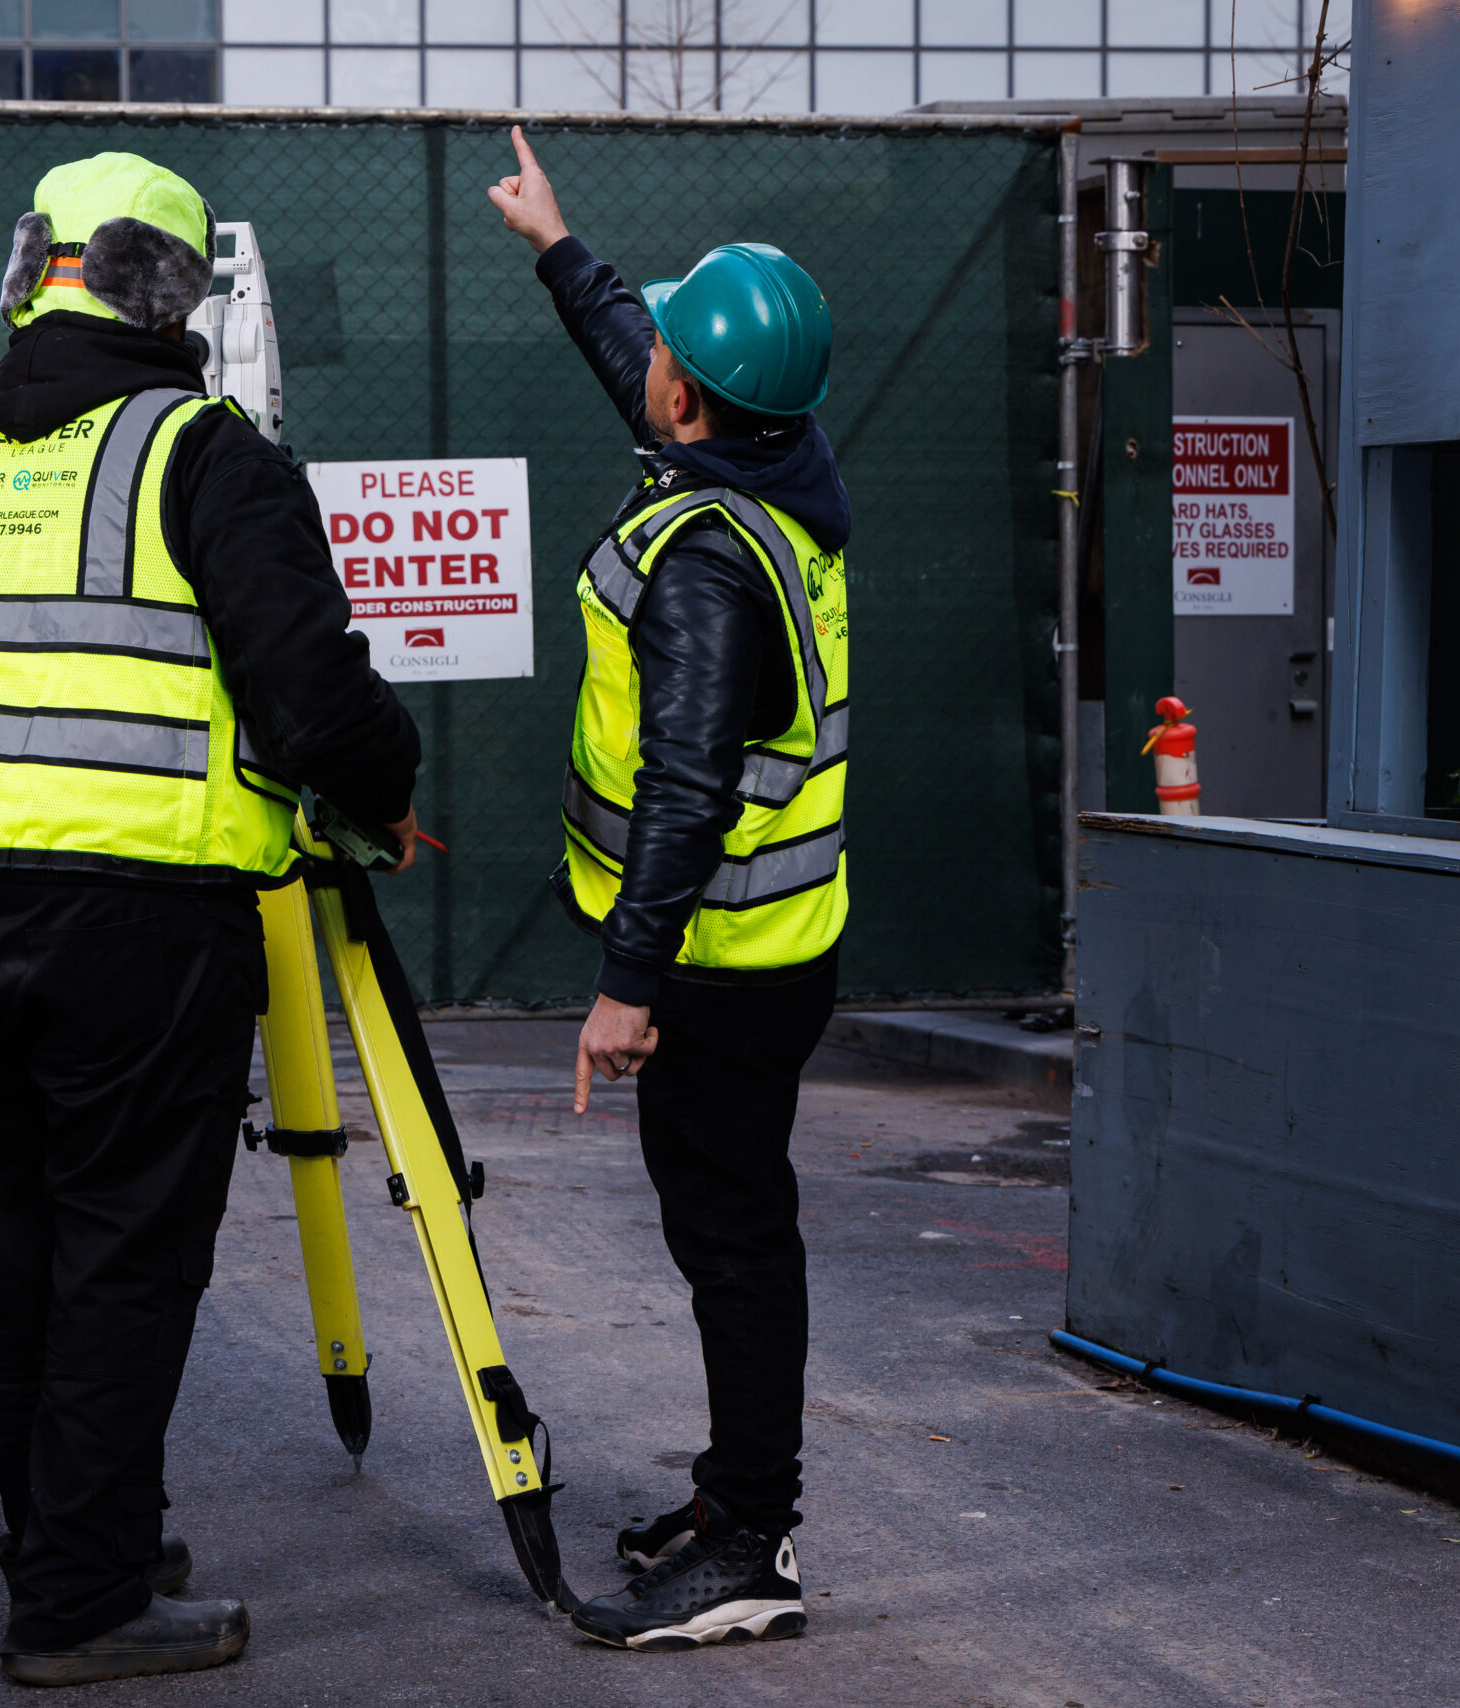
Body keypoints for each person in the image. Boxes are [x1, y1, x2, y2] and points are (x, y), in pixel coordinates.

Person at [0, 152, 421, 1687]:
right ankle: (82, 1602)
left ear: (32, 264)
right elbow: (314, 698)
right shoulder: (208, 455)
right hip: (140, 917)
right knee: (125, 1252)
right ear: (176, 291)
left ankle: (64, 1539)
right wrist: (387, 785)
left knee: (16, 1246)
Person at [487, 128, 852, 1652]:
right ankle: (734, 1496)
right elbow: (648, 353)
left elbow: (689, 795)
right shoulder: (772, 458)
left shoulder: (707, 567)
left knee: (734, 1240)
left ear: (694, 405)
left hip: (723, 964)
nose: (652, 364)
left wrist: (628, 989)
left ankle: (752, 1542)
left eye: (674, 357)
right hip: (771, 945)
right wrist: (559, 246)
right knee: (728, 1229)